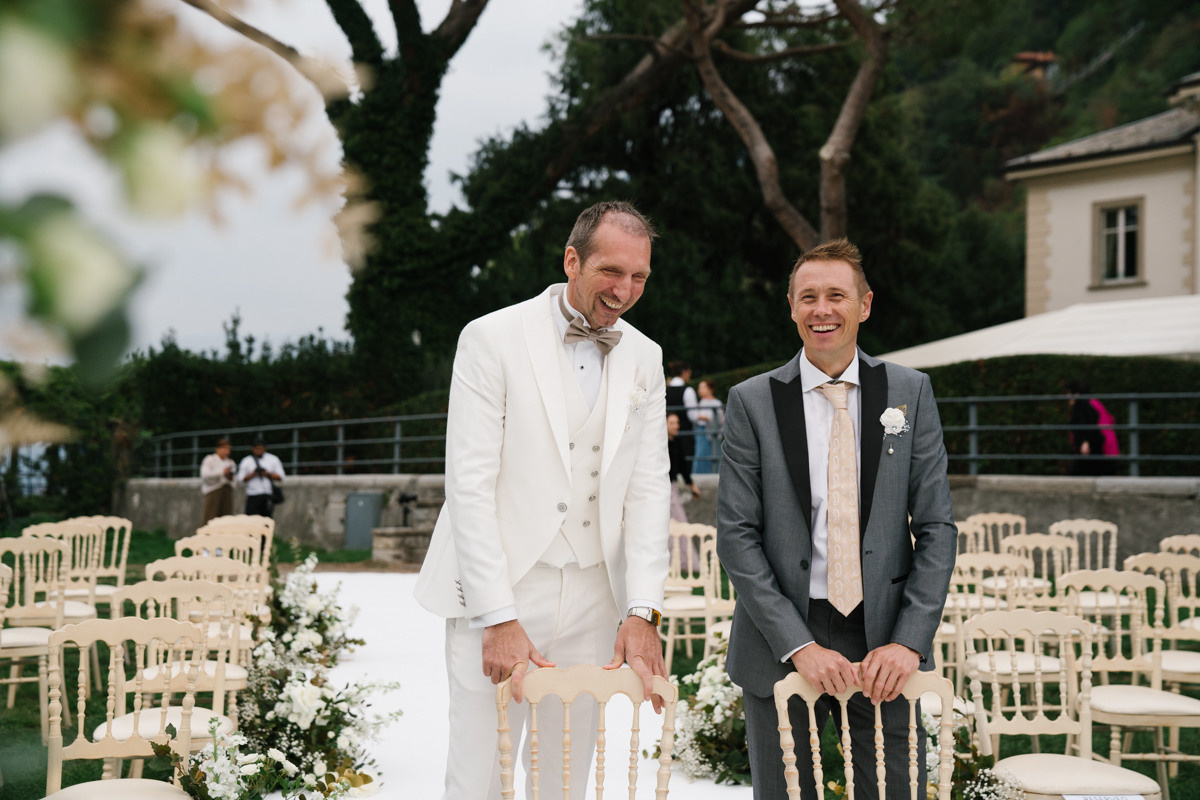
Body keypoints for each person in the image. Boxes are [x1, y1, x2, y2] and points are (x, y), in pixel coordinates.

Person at [413, 201, 671, 800]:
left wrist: (642, 610)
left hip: (592, 596)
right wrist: (496, 615)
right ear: (572, 259)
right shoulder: (491, 337)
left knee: (563, 778)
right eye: (611, 271)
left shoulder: (646, 356)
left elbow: (649, 489)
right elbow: (469, 485)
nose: (625, 290)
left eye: (639, 277)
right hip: (501, 590)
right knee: (479, 775)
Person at [716, 238, 957, 800]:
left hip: (883, 642)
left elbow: (938, 527)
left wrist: (908, 642)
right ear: (792, 307)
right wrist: (797, 644)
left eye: (836, 295)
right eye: (808, 297)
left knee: (897, 793)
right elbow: (737, 534)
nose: (821, 309)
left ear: (865, 305)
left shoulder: (910, 392)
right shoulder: (751, 401)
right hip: (782, 639)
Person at [1067, 380, 1119, 475]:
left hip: (1101, 450)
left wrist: (1085, 441)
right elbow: (1111, 419)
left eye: (1070, 393)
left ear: (1077, 394)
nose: (1067, 396)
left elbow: (1089, 424)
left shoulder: (1085, 405)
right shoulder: (1094, 402)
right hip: (1109, 450)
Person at [236, 435, 284, 518]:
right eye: (257, 448)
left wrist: (267, 474)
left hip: (267, 494)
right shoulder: (247, 461)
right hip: (252, 495)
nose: (259, 450)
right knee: (250, 521)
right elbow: (240, 479)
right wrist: (253, 474)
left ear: (265, 448)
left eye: (261, 448)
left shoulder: (273, 459)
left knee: (266, 521)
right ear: (252, 449)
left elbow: (281, 477)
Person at [666, 360, 698, 471]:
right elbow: (693, 416)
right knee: (685, 462)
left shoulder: (665, 390)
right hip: (685, 434)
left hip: (667, 434)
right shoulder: (688, 390)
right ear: (685, 372)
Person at [667, 412, 699, 522]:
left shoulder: (676, 442)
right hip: (663, 485)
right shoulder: (661, 443)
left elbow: (682, 465)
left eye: (677, 423)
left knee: (676, 519)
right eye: (671, 423)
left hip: (672, 485)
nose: (675, 426)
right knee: (677, 520)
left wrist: (691, 485)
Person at [199, 437, 236, 522]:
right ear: (218, 449)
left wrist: (229, 476)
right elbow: (205, 475)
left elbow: (234, 480)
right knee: (210, 518)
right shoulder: (210, 459)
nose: (227, 452)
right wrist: (222, 472)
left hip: (227, 489)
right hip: (213, 490)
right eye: (224, 449)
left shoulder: (230, 462)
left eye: (228, 449)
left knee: (226, 518)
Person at [692, 378, 724, 474]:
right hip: (701, 431)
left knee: (714, 453)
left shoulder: (717, 403)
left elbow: (721, 419)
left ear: (710, 389)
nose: (700, 390)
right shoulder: (700, 403)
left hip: (713, 432)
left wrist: (708, 418)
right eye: (699, 388)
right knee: (700, 453)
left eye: (702, 387)